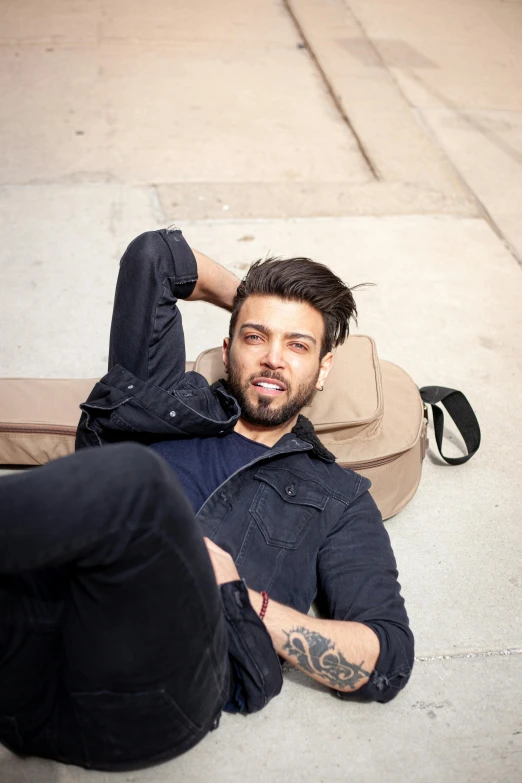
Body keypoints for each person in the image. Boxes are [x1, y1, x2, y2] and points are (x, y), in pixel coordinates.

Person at [0, 227, 413, 772]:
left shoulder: (339, 498)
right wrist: (245, 298)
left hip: (153, 689)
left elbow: (386, 658)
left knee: (135, 477)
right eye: (254, 337)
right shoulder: (171, 399)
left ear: (324, 367)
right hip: (32, 629)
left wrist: (242, 597)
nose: (272, 359)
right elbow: (157, 257)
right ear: (227, 347)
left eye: (298, 344)